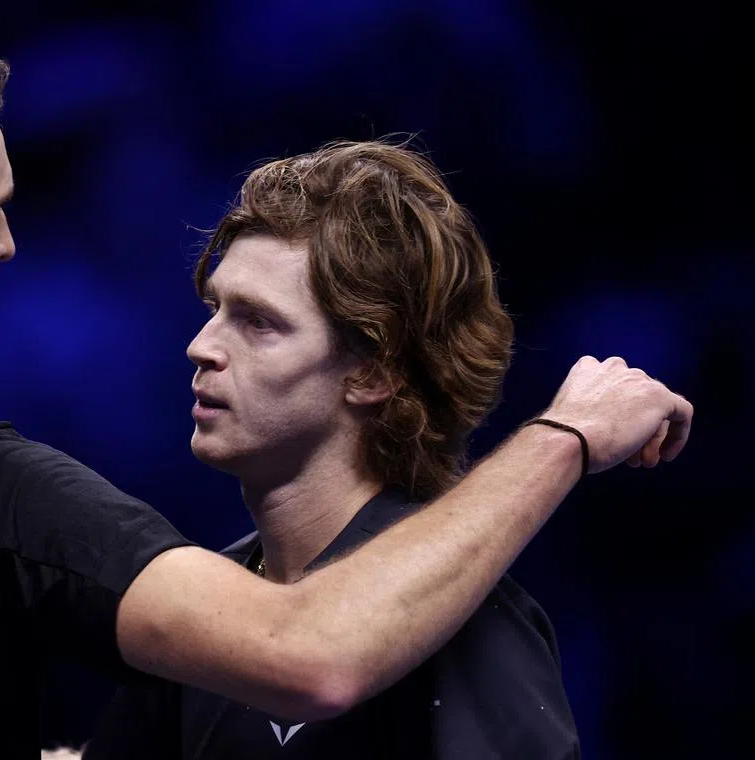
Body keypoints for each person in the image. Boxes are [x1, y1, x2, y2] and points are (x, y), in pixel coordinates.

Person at [0, 31, 691, 759]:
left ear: (372, 369)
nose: (7, 243)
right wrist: (565, 436)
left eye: (258, 319)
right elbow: (308, 654)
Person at [85, 141, 601, 759]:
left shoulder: (466, 619)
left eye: (259, 322)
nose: (201, 345)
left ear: (372, 374)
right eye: (215, 308)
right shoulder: (210, 606)